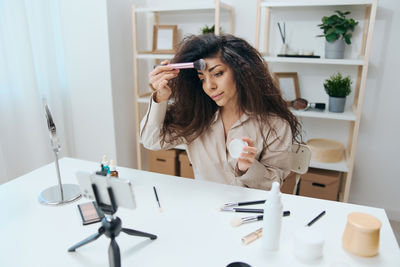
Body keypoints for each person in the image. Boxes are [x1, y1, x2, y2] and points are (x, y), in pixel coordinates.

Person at [140, 34, 301, 190]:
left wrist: (247, 169)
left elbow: (275, 185)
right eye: (202, 78)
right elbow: (151, 141)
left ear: (241, 72)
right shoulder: (195, 117)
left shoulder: (275, 125)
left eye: (218, 73)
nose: (210, 86)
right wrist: (161, 97)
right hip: (207, 208)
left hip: (251, 212)